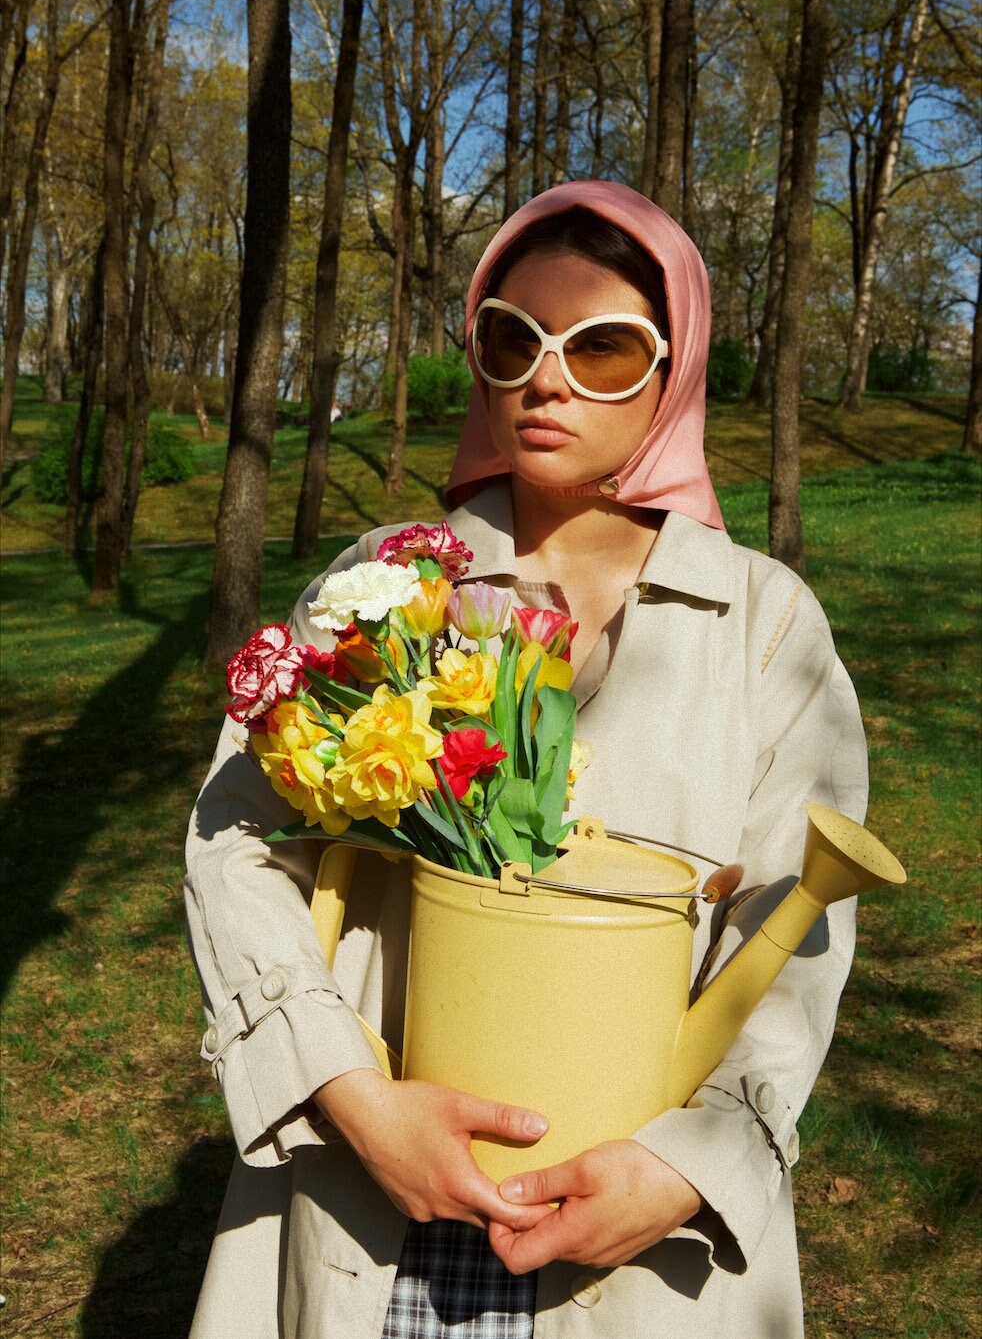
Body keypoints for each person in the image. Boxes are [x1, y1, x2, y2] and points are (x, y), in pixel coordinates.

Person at [185, 181, 868, 1339]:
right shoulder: (382, 587)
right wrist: (348, 1098)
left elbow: (794, 933)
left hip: (637, 1253)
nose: (546, 379)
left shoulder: (763, 626)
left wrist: (686, 1166)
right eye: (512, 339)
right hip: (376, 1210)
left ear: (676, 370)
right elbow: (236, 839)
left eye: (603, 348)